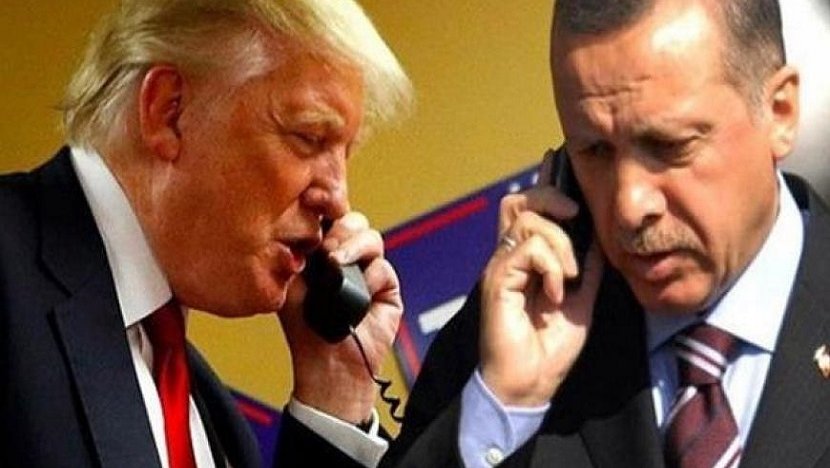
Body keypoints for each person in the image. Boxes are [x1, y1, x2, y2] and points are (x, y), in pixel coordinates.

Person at [380, 0, 830, 467]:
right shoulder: (506, 338)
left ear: (779, 112)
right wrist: (506, 406)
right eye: (595, 152)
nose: (629, 206)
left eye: (669, 146)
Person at [0, 1, 413, 467]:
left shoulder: (216, 421)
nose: (338, 200)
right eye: (308, 138)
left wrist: (334, 389)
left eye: (344, 154)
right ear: (168, 112)